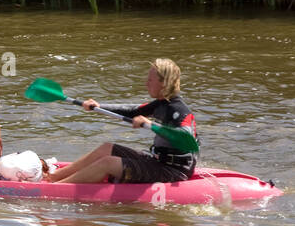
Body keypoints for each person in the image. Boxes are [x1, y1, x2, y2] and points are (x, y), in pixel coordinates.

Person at [47, 58, 196, 184]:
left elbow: (186, 138)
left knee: (108, 162)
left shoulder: (180, 110)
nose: (146, 84)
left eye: (150, 80)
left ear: (164, 83)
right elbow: (133, 110)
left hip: (173, 171)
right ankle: (53, 177)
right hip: (157, 161)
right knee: (107, 148)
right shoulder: (160, 103)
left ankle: (57, 187)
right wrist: (98, 106)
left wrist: (152, 125)